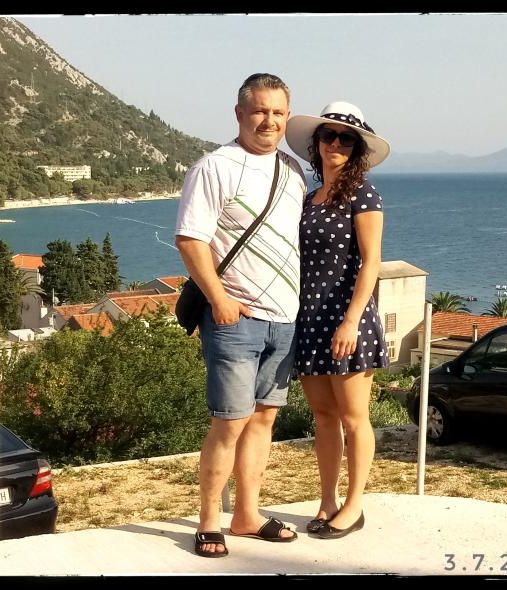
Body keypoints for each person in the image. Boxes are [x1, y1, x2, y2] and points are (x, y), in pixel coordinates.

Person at [175, 73, 307, 557]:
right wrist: (219, 300)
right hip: (236, 320)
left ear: (287, 117)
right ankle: (209, 520)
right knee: (229, 422)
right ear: (239, 114)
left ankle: (247, 515)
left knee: (263, 420)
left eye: (278, 112)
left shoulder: (293, 170)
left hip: (284, 319)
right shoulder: (215, 167)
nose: (269, 120)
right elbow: (191, 238)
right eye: (259, 111)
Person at [284, 101, 391, 539]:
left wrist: (350, 321)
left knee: (353, 418)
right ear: (317, 143)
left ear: (357, 148)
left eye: (346, 138)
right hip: (310, 321)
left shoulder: (363, 193)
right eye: (328, 135)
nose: (336, 143)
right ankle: (327, 501)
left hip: (348, 321)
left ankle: (353, 505)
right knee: (324, 417)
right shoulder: (309, 199)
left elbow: (371, 262)